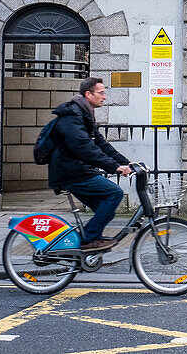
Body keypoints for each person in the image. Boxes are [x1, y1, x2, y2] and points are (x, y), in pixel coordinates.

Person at [47, 77, 134, 251]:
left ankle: (83, 243)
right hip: (70, 172)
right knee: (114, 193)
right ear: (89, 94)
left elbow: (101, 144)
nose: (105, 97)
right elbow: (84, 147)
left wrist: (127, 162)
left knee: (105, 209)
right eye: (101, 93)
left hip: (78, 170)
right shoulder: (72, 117)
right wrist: (114, 167)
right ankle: (89, 240)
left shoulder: (85, 115)